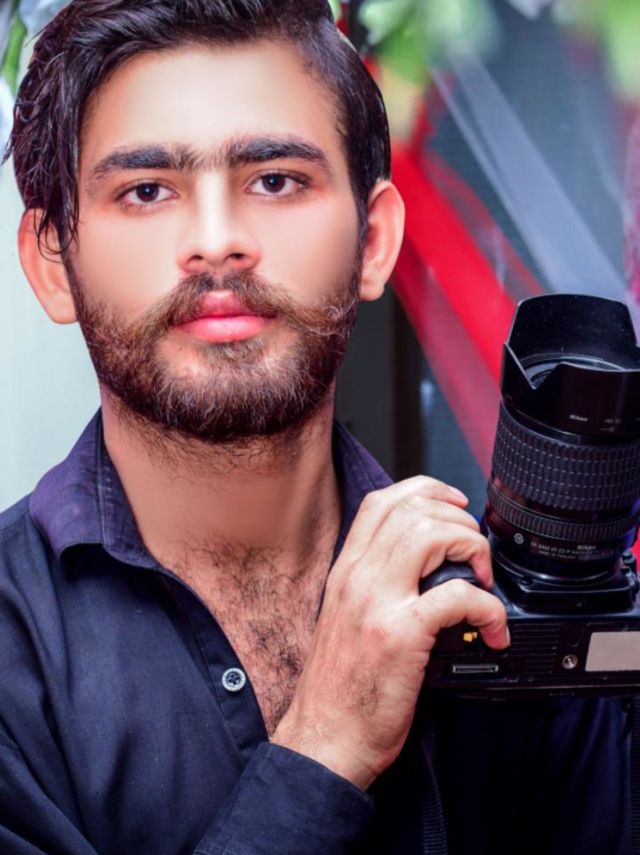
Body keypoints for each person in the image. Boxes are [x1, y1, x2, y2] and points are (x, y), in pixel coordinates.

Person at [0, 1, 631, 853]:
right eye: (147, 191)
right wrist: (325, 745)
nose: (218, 242)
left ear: (374, 240)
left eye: (276, 181)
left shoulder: (502, 615)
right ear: (52, 261)